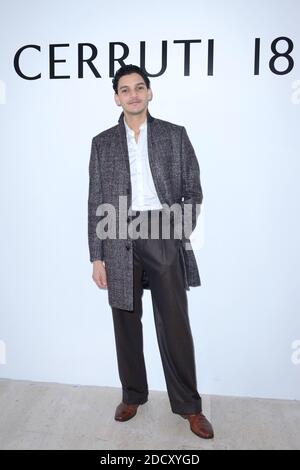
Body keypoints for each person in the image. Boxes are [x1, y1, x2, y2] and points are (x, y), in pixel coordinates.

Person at [88, 64, 214, 439]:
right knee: (125, 323)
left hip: (162, 232)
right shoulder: (102, 143)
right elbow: (96, 200)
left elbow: (193, 190)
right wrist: (97, 255)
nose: (133, 95)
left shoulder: (175, 136)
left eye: (139, 87)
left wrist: (175, 231)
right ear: (117, 97)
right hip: (117, 234)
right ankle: (133, 395)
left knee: (174, 323)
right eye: (125, 90)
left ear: (150, 92)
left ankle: (189, 407)